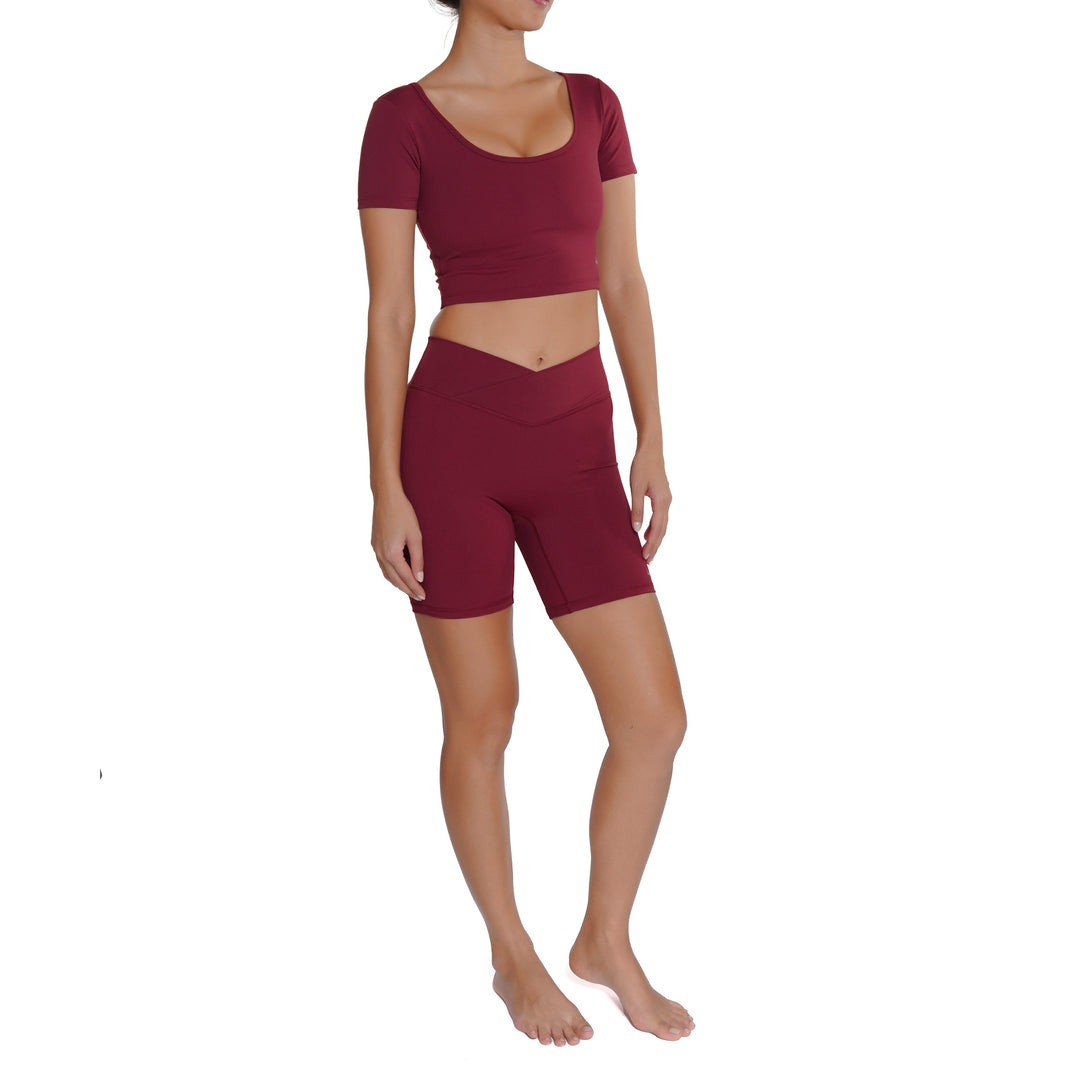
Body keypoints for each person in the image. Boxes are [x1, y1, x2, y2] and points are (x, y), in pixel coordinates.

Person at [357, 0, 694, 1047]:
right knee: (484, 717)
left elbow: (623, 278)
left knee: (653, 719)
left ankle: (605, 937)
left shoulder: (594, 104)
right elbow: (390, 313)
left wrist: (651, 435)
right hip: (455, 440)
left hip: (580, 442)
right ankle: (512, 953)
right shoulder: (402, 119)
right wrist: (385, 487)